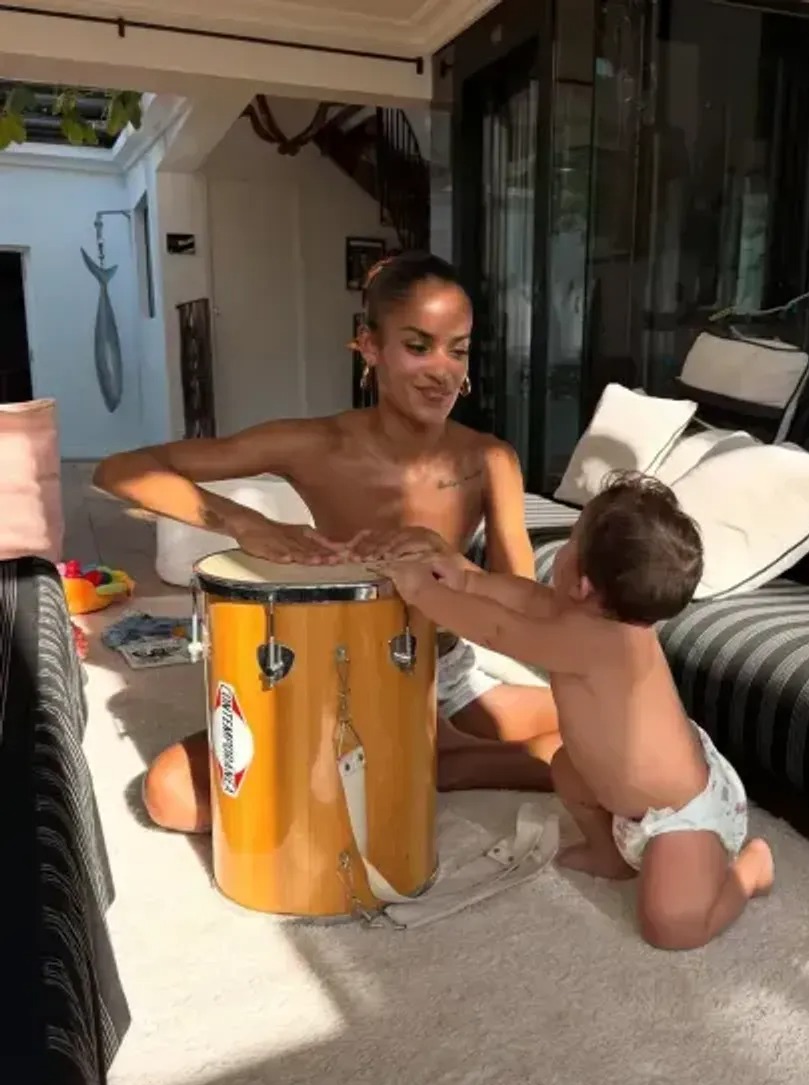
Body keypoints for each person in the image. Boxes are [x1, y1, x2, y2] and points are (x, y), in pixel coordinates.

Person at [93, 251, 560, 834]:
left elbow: (524, 606)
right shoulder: (315, 444)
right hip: (339, 672)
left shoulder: (490, 459)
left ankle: (432, 757)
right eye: (418, 346)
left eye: (458, 350)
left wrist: (454, 564)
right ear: (369, 346)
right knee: (170, 794)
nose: (442, 371)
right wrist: (246, 523)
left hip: (446, 672)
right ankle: (431, 760)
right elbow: (121, 469)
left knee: (607, 729)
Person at [383, 472, 774, 951]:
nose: (564, 547)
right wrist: (466, 578)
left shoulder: (606, 643)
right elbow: (522, 598)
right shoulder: (584, 616)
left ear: (583, 583)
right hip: (623, 795)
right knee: (567, 766)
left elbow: (500, 631)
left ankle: (750, 871)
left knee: (671, 928)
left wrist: (425, 594)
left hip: (683, 815)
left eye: (572, 540)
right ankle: (609, 854)